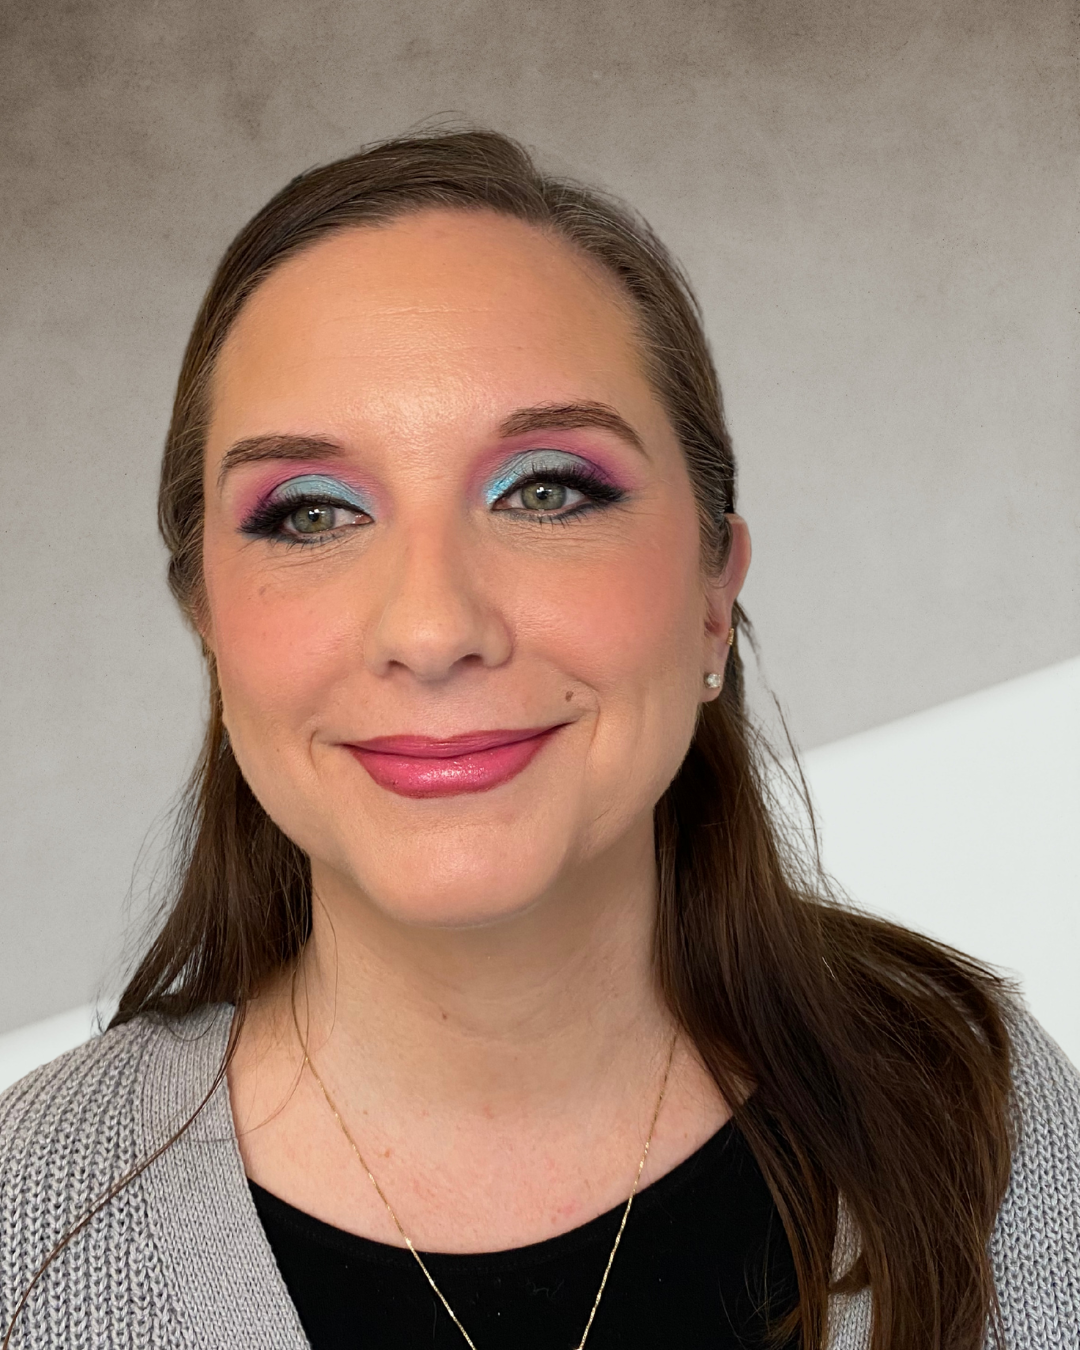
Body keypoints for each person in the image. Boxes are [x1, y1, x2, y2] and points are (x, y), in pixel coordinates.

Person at [1, 129, 1077, 1350]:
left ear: (713, 592)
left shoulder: (990, 1127)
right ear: (209, 620)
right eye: (310, 513)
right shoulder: (27, 1239)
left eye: (547, 490)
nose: (431, 628)